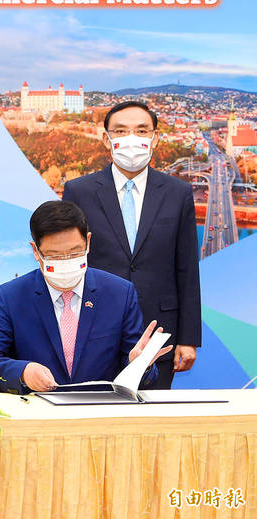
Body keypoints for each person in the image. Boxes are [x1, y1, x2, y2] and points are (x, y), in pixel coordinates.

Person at [62, 101, 200, 389]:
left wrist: (188, 338)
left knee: (152, 423)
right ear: (106, 138)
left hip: (159, 332)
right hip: (94, 329)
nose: (132, 139)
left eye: (141, 131)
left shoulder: (178, 193)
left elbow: (186, 269)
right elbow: (69, 261)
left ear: (155, 138)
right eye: (121, 131)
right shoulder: (79, 191)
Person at [0, 201, 170, 394]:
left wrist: (139, 365)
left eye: (75, 253)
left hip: (101, 414)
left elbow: (143, 377)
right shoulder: (11, 296)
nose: (66, 262)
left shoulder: (119, 293)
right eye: (55, 256)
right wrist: (23, 372)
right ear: (35, 251)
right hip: (38, 417)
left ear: (88, 242)